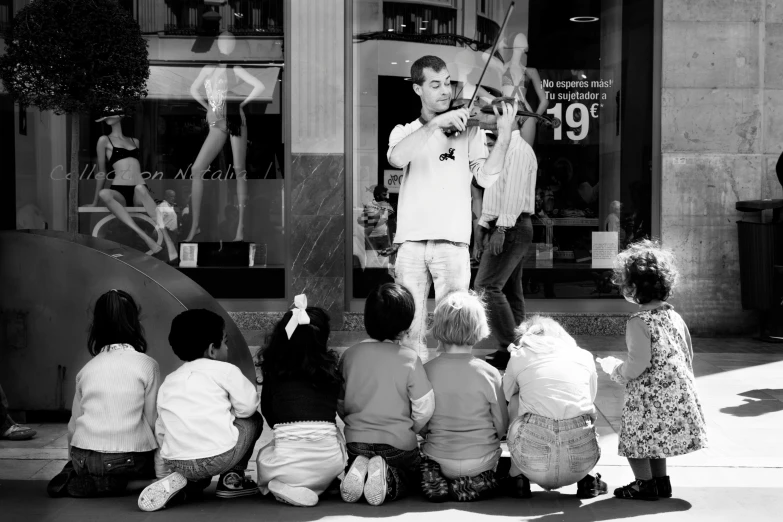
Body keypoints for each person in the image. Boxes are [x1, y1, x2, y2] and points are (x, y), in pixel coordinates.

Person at [384, 54, 517, 363]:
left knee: (454, 334)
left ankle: (447, 398)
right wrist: (435, 125)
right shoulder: (404, 131)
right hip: (411, 244)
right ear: (418, 89)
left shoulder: (470, 130)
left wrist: (505, 136)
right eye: (435, 85)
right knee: (409, 333)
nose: (445, 91)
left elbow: (486, 177)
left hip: (454, 244)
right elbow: (397, 158)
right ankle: (415, 395)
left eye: (447, 83)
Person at [597, 239, 707, 501]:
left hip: (648, 394)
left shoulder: (638, 321)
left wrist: (616, 370)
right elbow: (687, 353)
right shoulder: (673, 316)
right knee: (656, 438)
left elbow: (637, 364)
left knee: (636, 437)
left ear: (632, 287)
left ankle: (643, 484)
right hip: (677, 391)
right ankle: (661, 482)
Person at [137, 309, 262, 512]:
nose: (227, 348)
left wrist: (163, 469)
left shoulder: (170, 380)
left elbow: (161, 428)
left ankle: (189, 484)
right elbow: (248, 408)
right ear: (213, 349)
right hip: (218, 458)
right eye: (226, 341)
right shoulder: (226, 370)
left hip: (178, 461)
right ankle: (232, 479)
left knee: (195, 469)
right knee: (254, 420)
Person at [50, 289, 159, 497]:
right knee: (150, 471)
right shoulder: (147, 365)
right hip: (126, 460)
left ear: (95, 327)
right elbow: (153, 422)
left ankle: (84, 478)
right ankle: (126, 484)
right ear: (135, 323)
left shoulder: (87, 369)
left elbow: (73, 425)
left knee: (90, 467)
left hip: (83, 457)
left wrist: (73, 461)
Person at [338, 283, 434, 506]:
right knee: (412, 476)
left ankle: (360, 470)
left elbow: (340, 402)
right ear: (405, 325)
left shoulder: (349, 356)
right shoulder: (409, 358)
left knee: (358, 462)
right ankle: (388, 479)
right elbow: (424, 406)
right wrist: (413, 428)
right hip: (397, 446)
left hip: (356, 443)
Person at [256, 295, 347, 507]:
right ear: (323, 339)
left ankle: (281, 483)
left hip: (286, 463)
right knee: (336, 434)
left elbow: (270, 415)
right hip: (329, 462)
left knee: (264, 456)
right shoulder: (331, 373)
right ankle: (322, 483)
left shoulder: (274, 373)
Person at [502, 315, 607, 499]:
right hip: (581, 461)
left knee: (517, 399)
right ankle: (587, 479)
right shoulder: (584, 356)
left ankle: (516, 478)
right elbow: (591, 396)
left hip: (532, 457)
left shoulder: (520, 356)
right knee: (582, 408)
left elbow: (506, 394)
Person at [420, 291, 508, 502]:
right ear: (479, 327)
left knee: (420, 456)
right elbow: (501, 425)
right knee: (504, 469)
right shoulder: (489, 373)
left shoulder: (425, 371)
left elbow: (420, 422)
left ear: (438, 327)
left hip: (438, 456)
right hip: (481, 459)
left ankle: (433, 476)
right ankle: (482, 481)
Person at [183, 31, 265, 243]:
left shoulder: (235, 68)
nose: (226, 46)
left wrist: (242, 104)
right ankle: (196, 225)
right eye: (223, 42)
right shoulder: (209, 67)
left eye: (230, 43)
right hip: (217, 121)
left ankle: (240, 229)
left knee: (239, 171)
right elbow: (193, 89)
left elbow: (260, 87)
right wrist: (207, 107)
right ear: (218, 44)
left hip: (234, 118)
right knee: (197, 169)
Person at [473, 117, 538, 370]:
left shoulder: (519, 149)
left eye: (498, 114)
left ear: (514, 118)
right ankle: (512, 350)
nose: (491, 119)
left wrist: (500, 227)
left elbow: (512, 193)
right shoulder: (503, 148)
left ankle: (512, 349)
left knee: (487, 286)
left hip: (512, 225)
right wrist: (483, 223)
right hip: (509, 224)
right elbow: (495, 190)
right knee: (510, 289)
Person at [88, 110, 178, 262]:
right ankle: (145, 237)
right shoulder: (104, 140)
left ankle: (168, 241)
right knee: (105, 193)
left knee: (140, 188)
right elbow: (102, 172)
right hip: (119, 190)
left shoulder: (135, 141)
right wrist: (95, 201)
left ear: (121, 116)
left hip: (138, 189)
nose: (108, 117)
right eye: (107, 114)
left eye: (112, 113)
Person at [503, 33, 549, 146]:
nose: (521, 38)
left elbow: (545, 101)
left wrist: (534, 118)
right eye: (517, 37)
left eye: (523, 38)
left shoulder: (531, 71)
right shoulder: (501, 67)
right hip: (506, 113)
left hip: (525, 114)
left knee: (525, 156)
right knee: (506, 156)